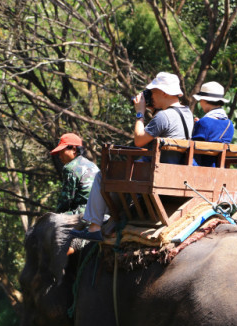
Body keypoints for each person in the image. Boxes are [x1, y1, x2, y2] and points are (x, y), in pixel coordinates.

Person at [70, 72, 193, 241]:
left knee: (102, 176)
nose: (150, 96)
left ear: (164, 92)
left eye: (153, 92)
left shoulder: (164, 116)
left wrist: (140, 113)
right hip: (174, 171)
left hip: (154, 174)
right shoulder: (187, 113)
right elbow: (164, 127)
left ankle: (94, 228)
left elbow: (139, 140)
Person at [50, 133, 100, 216]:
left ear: (73, 149)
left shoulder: (70, 168)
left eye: (62, 152)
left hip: (83, 213)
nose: (60, 156)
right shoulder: (92, 165)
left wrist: (56, 216)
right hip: (100, 212)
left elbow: (66, 200)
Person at [191, 81, 235, 167]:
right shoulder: (230, 124)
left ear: (203, 100)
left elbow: (195, 147)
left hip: (201, 168)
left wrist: (197, 125)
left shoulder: (204, 122)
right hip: (220, 167)